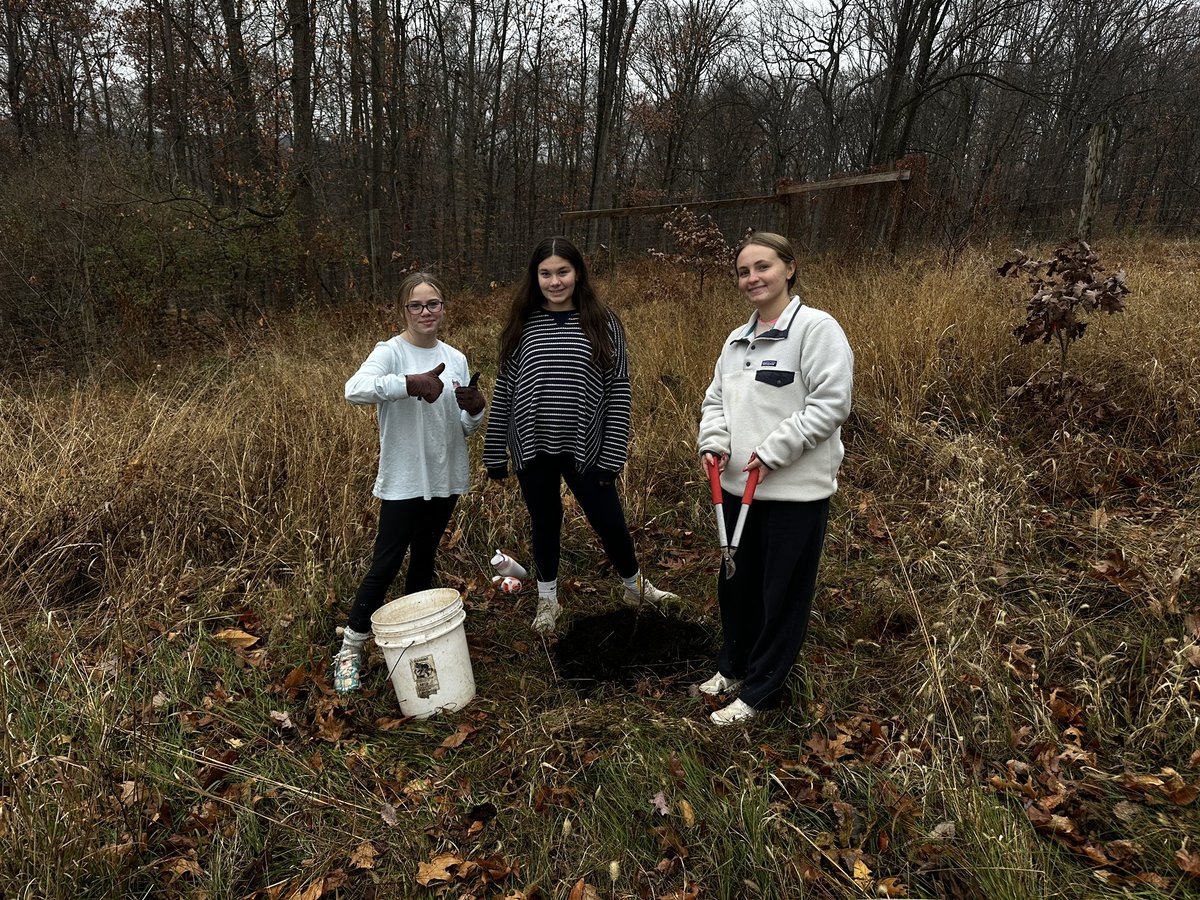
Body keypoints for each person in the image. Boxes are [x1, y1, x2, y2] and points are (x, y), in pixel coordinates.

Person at [483, 236, 677, 633]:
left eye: (563, 272)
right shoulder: (521, 323)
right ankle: (547, 598)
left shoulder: (603, 322)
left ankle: (635, 587)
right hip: (532, 443)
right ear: (535, 277)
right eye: (546, 274)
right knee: (545, 521)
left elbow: (619, 388)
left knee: (609, 520)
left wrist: (613, 452)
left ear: (578, 273)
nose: (555, 282)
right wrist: (493, 450)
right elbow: (504, 387)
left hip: (585, 445)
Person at [697, 232, 853, 725]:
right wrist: (714, 441)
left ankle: (761, 690)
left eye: (762, 267)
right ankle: (734, 665)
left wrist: (773, 452)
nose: (752, 278)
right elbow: (715, 401)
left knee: (781, 593)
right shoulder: (735, 339)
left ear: (789, 268)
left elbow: (830, 404)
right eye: (743, 271)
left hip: (792, 493)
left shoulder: (816, 329)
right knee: (736, 586)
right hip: (735, 490)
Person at [333, 273, 487, 693]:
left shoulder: (455, 357)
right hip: (404, 479)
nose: (425, 313)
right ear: (403, 310)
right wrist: (407, 384)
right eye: (416, 306)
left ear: (444, 307)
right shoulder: (391, 352)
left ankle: (412, 642)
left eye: (433, 304)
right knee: (385, 564)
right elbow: (354, 390)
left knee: (424, 558)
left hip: (446, 476)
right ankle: (351, 648)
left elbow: (464, 426)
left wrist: (475, 409)